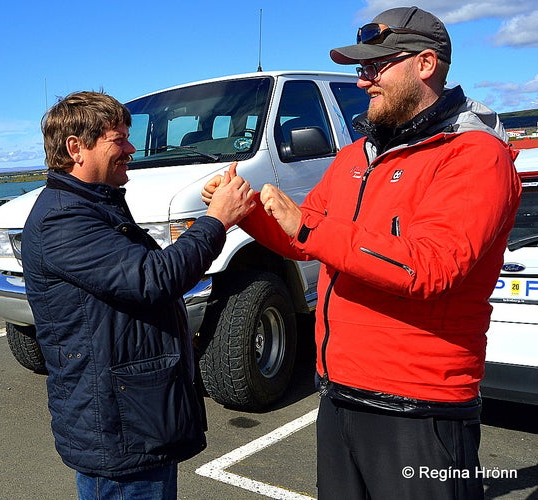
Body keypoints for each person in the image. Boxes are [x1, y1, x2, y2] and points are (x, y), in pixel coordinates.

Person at [202, 6, 520, 499]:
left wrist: (304, 226)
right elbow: (303, 241)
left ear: (426, 64)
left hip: (420, 408)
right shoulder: (356, 156)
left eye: (376, 67)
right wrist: (247, 212)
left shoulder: (475, 155)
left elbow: (429, 266)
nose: (362, 81)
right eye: (361, 69)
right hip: (339, 393)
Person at [22, 90, 255, 499]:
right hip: (117, 427)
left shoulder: (96, 202)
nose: (131, 149)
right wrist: (216, 219)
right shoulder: (63, 218)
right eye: (118, 140)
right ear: (76, 148)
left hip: (136, 417)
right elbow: (152, 278)